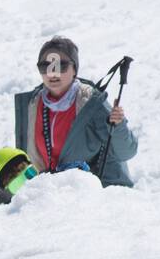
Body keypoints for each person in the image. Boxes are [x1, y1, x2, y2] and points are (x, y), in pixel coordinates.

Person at [13, 36, 138, 187]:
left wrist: (118, 125)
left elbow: (126, 152)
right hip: (52, 195)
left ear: (74, 70)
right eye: (45, 66)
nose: (53, 73)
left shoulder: (90, 103)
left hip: (98, 195)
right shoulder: (32, 105)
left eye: (62, 66)